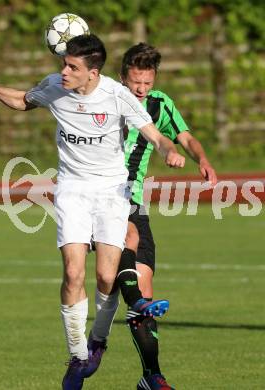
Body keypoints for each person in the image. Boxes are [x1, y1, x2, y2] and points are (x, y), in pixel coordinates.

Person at [0, 35, 185, 390]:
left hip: (113, 192)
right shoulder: (56, 86)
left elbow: (156, 135)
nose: (62, 71)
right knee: (73, 272)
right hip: (72, 190)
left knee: (107, 278)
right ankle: (79, 355)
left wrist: (168, 151)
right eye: (64, 64)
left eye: (71, 67)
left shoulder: (116, 95)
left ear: (93, 73)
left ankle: (98, 341)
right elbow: (23, 100)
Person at [87, 43, 217, 390]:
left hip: (135, 202)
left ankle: (151, 377)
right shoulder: (105, 99)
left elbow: (184, 138)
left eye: (147, 82)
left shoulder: (160, 104)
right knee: (124, 250)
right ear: (121, 77)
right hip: (99, 199)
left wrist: (200, 160)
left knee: (142, 289)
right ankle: (96, 341)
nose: (141, 90)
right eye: (135, 83)